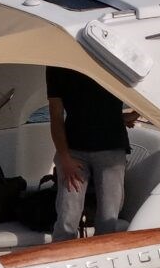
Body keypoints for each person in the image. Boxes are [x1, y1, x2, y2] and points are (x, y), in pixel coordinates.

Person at [46, 65, 133, 239]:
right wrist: (64, 158)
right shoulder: (57, 65)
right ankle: (62, 253)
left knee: (109, 218)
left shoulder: (111, 58)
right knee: (67, 217)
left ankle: (104, 254)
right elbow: (55, 114)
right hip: (73, 151)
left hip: (111, 149)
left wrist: (131, 115)